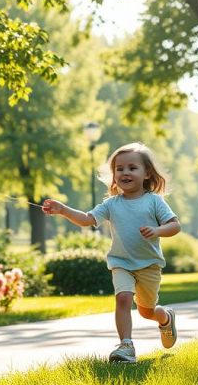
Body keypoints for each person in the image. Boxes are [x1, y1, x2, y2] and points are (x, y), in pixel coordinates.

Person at [42, 141, 181, 363]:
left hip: (148, 265)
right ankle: (126, 345)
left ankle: (164, 318)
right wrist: (63, 210)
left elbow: (175, 225)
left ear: (146, 173)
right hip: (121, 262)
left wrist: (157, 230)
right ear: (114, 175)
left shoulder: (154, 201)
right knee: (123, 299)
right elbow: (87, 219)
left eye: (132, 168)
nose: (125, 172)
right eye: (120, 169)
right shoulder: (112, 204)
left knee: (146, 311)